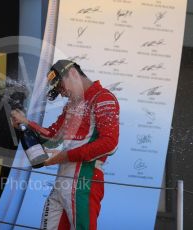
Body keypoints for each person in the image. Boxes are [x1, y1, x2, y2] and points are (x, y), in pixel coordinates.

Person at [11, 60, 120, 230]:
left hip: (85, 179)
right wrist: (26, 123)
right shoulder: (72, 105)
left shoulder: (103, 98)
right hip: (62, 180)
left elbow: (109, 144)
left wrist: (64, 156)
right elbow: (52, 138)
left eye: (61, 88)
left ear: (73, 75)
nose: (62, 94)